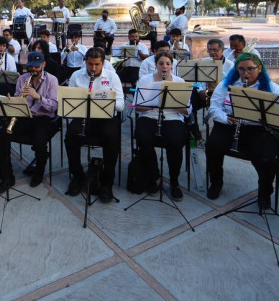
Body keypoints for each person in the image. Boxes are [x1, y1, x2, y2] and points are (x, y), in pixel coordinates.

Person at [205, 53, 279, 208]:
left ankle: (265, 192)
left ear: (259, 68)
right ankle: (216, 182)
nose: (245, 73)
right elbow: (214, 107)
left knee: (267, 159)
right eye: (241, 69)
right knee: (212, 146)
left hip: (258, 128)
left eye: (250, 69)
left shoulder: (272, 88)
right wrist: (225, 118)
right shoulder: (226, 84)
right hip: (230, 124)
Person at [0, 51, 60, 193]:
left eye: (36, 67)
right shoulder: (23, 79)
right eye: (30, 66)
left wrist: (38, 97)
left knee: (40, 141)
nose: (33, 69)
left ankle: (39, 172)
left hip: (43, 117)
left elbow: (54, 106)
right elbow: (18, 98)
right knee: (1, 135)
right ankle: (7, 178)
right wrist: (14, 101)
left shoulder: (52, 80)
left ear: (43, 64)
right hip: (24, 115)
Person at [65, 48, 124, 203]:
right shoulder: (76, 76)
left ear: (103, 63)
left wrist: (102, 100)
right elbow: (69, 101)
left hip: (105, 117)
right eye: (90, 64)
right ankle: (78, 175)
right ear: (85, 62)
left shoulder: (112, 76)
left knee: (112, 139)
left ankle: (107, 183)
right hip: (83, 116)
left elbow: (121, 105)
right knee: (70, 136)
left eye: (97, 64)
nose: (93, 68)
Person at [133, 51, 190, 200]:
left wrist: (175, 103)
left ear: (172, 65)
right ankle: (154, 176)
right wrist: (153, 105)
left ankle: (174, 181)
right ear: (156, 65)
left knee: (176, 141)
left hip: (172, 117)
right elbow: (137, 107)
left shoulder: (180, 82)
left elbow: (187, 111)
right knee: (142, 137)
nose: (164, 66)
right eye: (161, 63)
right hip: (150, 115)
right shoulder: (145, 80)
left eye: (168, 64)